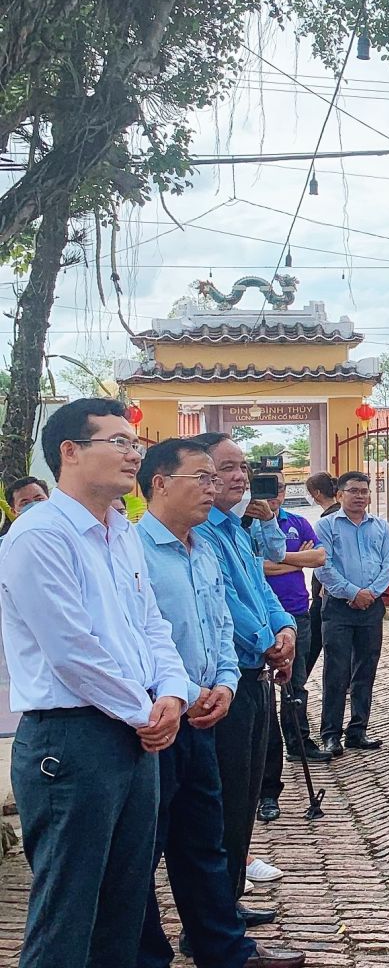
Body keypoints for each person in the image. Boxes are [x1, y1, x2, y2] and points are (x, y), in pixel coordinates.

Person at [0, 399, 191, 968]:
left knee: (123, 909)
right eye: (119, 442)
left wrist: (172, 695)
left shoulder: (122, 533)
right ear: (70, 452)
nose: (134, 454)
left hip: (135, 734)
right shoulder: (40, 536)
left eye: (135, 443)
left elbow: (150, 624)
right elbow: (71, 650)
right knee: (68, 913)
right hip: (72, 739)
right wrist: (145, 710)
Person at [135, 438, 303, 968]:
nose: (218, 485)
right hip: (157, 719)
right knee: (144, 847)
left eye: (226, 473)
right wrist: (186, 691)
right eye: (206, 475)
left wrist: (228, 680)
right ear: (160, 483)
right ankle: (147, 952)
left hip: (213, 705)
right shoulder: (133, 552)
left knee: (207, 837)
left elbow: (223, 622)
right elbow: (144, 636)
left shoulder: (206, 545)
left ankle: (221, 946)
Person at [191, 431, 297, 927]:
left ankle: (228, 899)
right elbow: (226, 603)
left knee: (245, 794)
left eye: (241, 469)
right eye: (224, 468)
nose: (237, 477)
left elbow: (260, 588)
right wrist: (267, 641)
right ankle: (214, 916)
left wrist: (286, 628)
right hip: (226, 680)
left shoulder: (238, 530)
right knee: (225, 800)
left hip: (254, 674)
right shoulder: (202, 532)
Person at [259, 485, 331, 826]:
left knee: (296, 685)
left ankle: (299, 740)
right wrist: (292, 560)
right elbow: (253, 569)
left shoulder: (297, 522)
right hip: (257, 619)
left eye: (277, 489)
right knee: (260, 701)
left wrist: (278, 561)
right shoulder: (243, 525)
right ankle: (266, 786)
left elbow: (318, 558)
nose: (271, 496)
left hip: (296, 614)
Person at [313, 471, 389, 755]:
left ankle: (358, 730)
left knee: (366, 669)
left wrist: (370, 593)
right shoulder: (325, 526)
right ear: (340, 494)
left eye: (364, 491)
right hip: (338, 608)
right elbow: (323, 566)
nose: (359, 496)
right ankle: (331, 734)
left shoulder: (382, 527)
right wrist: (352, 593)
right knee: (336, 671)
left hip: (371, 607)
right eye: (353, 491)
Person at [302, 470, 339, 678]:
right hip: (324, 585)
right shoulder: (332, 513)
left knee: (315, 635)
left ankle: (300, 676)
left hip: (326, 587)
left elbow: (331, 556)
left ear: (316, 493)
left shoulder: (330, 518)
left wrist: (327, 583)